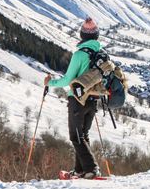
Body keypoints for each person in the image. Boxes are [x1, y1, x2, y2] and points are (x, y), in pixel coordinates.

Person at [43, 17, 112, 179]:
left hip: (77, 100)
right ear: (97, 36)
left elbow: (67, 80)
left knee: (75, 136)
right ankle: (80, 170)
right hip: (93, 99)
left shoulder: (79, 54)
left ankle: (91, 169)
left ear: (82, 35)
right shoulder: (103, 55)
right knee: (83, 135)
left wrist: (50, 82)